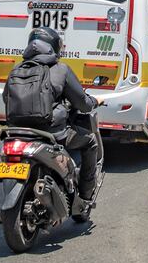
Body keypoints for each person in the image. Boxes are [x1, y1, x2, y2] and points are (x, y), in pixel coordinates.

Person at [6, 27, 103, 213]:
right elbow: (82, 103)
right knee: (90, 142)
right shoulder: (61, 69)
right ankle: (85, 196)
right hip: (52, 133)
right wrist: (96, 101)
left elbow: (6, 98)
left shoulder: (16, 70)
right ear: (54, 47)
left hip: (17, 132)